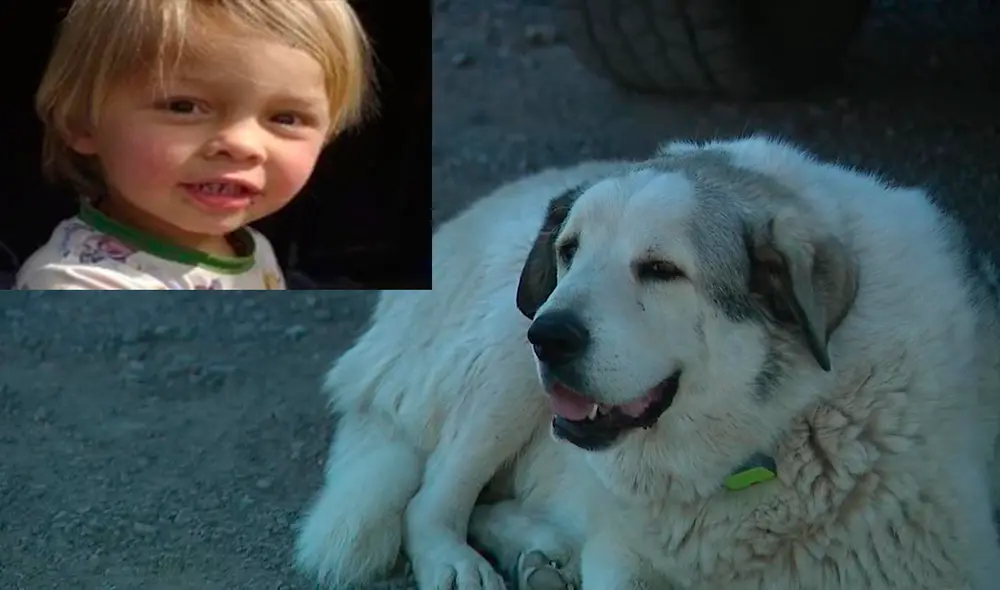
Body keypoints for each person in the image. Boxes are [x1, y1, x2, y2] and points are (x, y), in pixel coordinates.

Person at [15, 0, 373, 290]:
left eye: (286, 119)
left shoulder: (250, 246)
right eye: (184, 107)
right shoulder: (75, 284)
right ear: (81, 124)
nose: (243, 145)